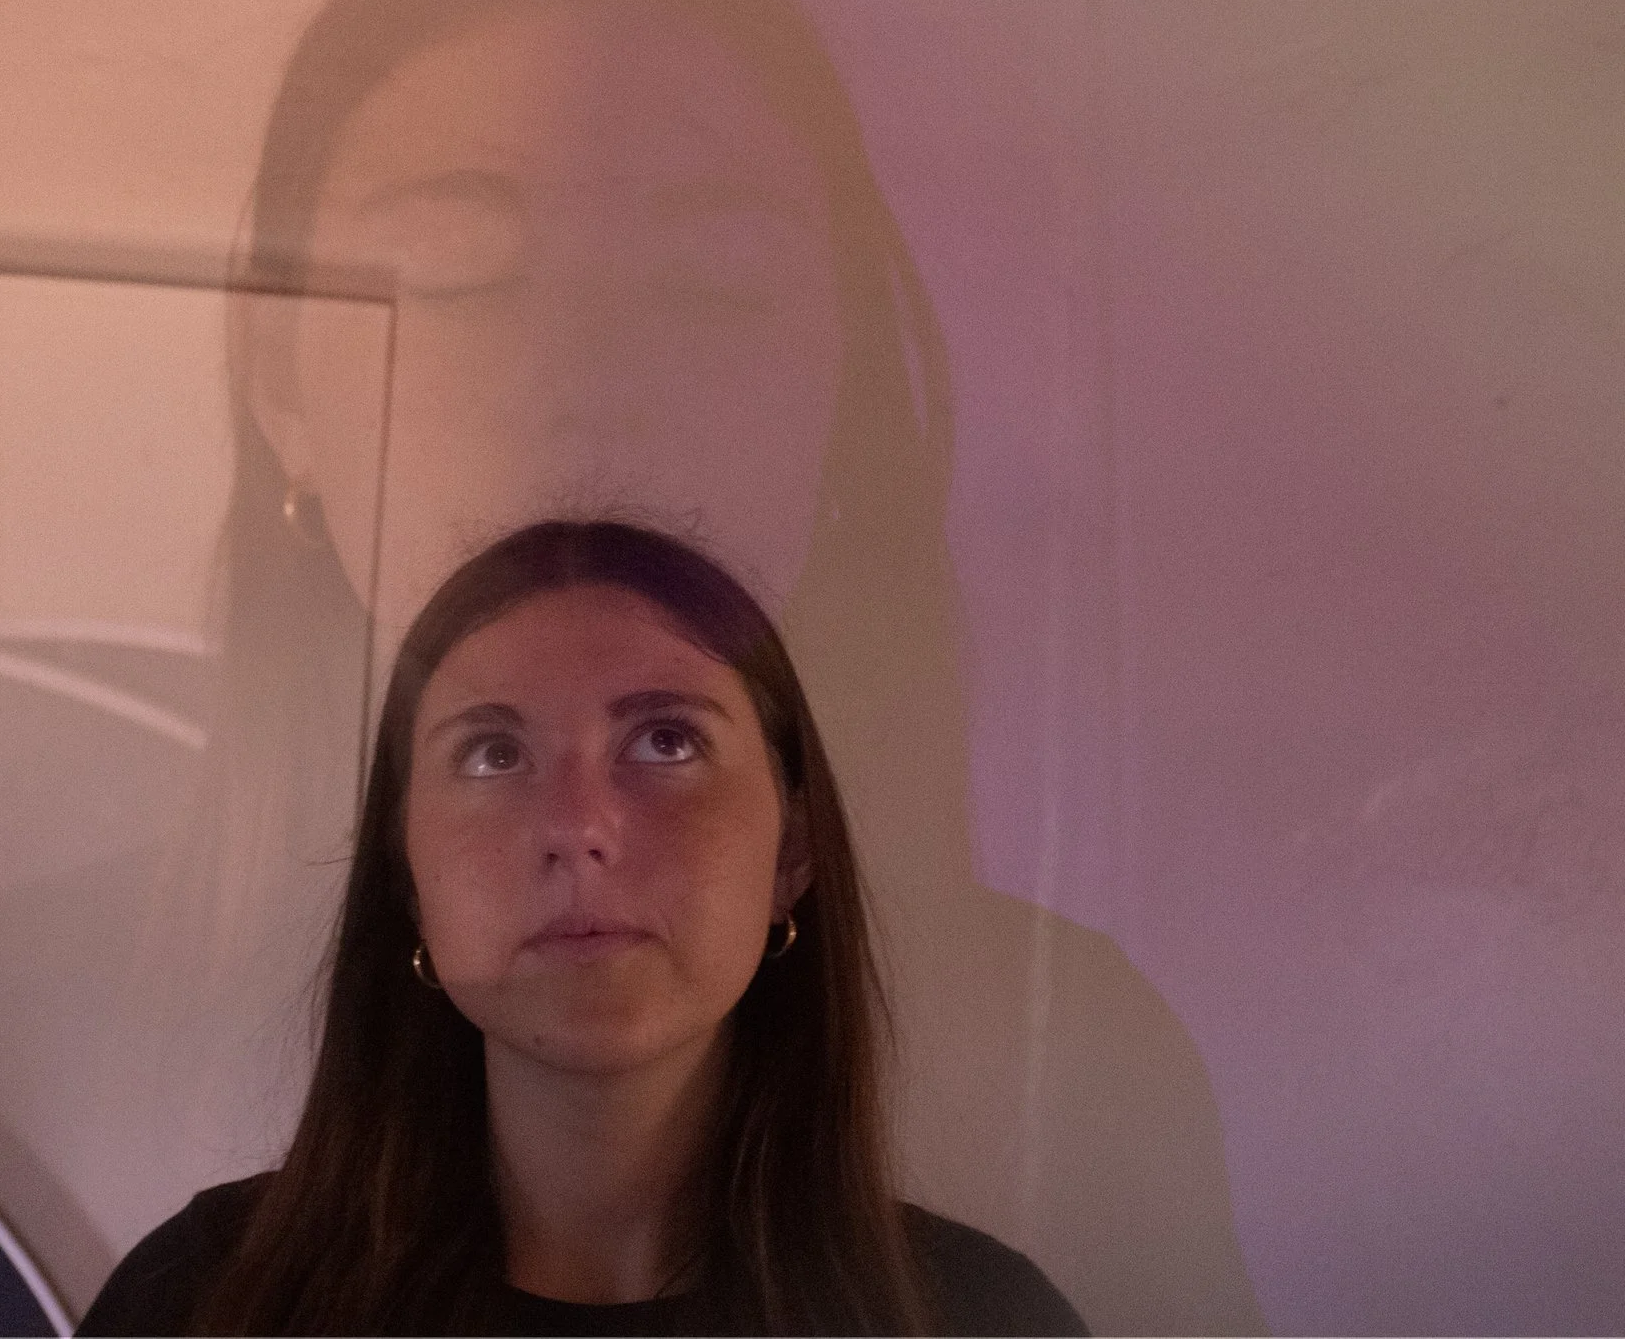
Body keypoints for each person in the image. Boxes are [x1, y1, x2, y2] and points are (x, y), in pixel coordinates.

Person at [146, 0, 1261, 1330]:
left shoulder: (1069, 1107)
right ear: (277, 379)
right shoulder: (182, 1263)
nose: (585, 379)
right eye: (463, 274)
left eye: (711, 286)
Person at [83, 519, 1087, 1335]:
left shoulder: (983, 1321)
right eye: (492, 753)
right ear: (407, 874)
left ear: (792, 851)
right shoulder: (197, 1306)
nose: (577, 825)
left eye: (666, 740)